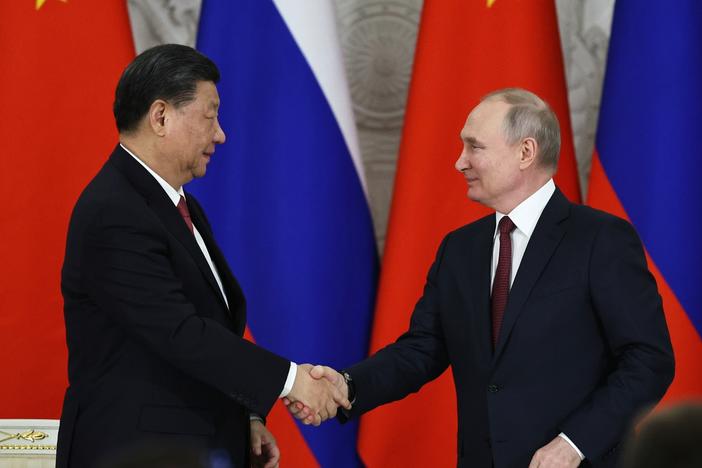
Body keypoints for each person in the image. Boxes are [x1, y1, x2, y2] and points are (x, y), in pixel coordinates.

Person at [287, 88, 675, 467]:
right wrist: (348, 385)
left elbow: (648, 359)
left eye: (475, 147)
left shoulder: (600, 239)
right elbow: (422, 349)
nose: (460, 162)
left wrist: (574, 443)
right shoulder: (460, 248)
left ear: (526, 152)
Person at [57, 44, 348, 468]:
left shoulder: (180, 207)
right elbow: (180, 332)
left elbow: (211, 327)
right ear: (161, 117)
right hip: (134, 453)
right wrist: (292, 381)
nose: (220, 134)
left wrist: (243, 415)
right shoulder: (113, 211)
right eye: (210, 115)